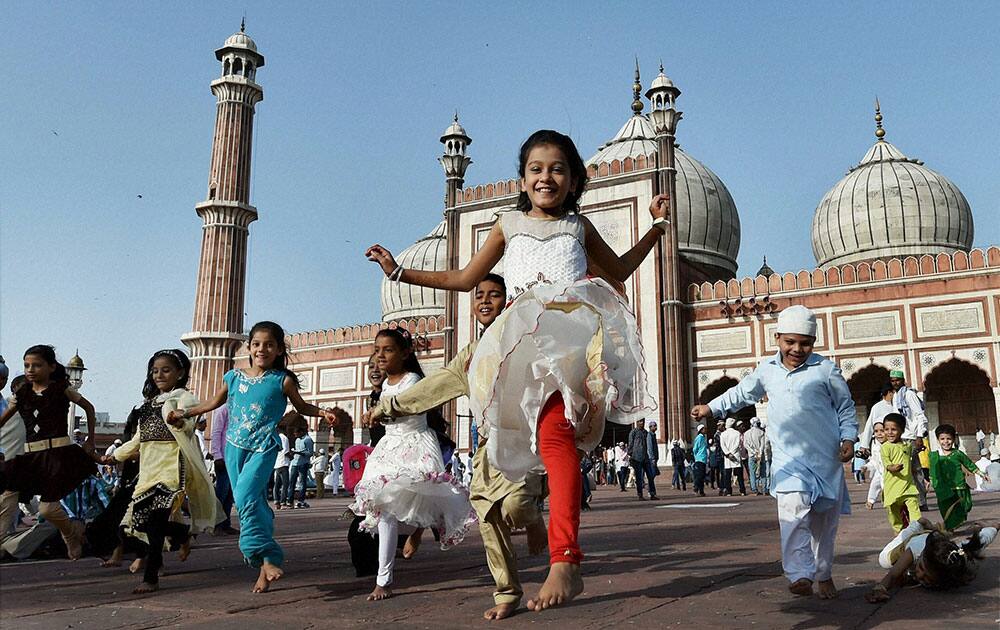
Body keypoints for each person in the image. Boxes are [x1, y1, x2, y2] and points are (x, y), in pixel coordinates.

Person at [367, 130, 666, 610]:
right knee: (498, 460)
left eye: (557, 168)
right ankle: (519, 560)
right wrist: (400, 273)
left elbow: (621, 270)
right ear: (523, 180)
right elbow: (464, 278)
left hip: (566, 341)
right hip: (515, 346)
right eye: (536, 169)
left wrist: (657, 228)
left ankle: (565, 558)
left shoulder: (579, 228)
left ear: (574, 181)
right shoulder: (507, 224)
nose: (546, 176)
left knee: (555, 438)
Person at [366, 273, 547, 619]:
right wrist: (387, 406)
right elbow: (434, 388)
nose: (484, 301)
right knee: (489, 515)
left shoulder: (525, 341)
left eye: (494, 295)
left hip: (524, 441)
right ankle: (506, 592)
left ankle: (534, 518)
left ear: (506, 301)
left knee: (517, 505)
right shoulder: (469, 355)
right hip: (487, 445)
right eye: (479, 295)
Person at [691, 305, 857, 599]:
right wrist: (710, 407)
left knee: (823, 525)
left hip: (824, 458)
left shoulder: (825, 370)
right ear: (777, 338)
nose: (797, 349)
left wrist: (849, 438)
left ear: (814, 343)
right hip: (788, 458)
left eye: (804, 343)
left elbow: (845, 407)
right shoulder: (766, 370)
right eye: (790, 342)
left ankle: (823, 573)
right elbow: (741, 393)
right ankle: (799, 573)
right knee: (792, 512)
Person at [167, 321, 342, 593]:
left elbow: (301, 406)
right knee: (254, 503)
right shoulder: (233, 377)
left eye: (269, 344)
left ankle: (260, 551)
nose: (262, 349)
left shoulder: (282, 381)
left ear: (279, 349)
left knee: (246, 499)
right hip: (234, 447)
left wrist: (323, 413)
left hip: (263, 448)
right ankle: (266, 565)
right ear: (248, 346)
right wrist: (184, 414)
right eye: (257, 344)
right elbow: (213, 403)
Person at [350, 328, 475, 602]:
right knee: (384, 512)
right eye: (377, 349)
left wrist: (378, 413)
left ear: (405, 353)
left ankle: (418, 531)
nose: (381, 355)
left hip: (413, 446)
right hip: (389, 449)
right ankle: (383, 580)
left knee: (423, 499)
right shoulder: (385, 384)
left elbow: (405, 406)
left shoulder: (413, 379)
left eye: (388, 350)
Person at [106, 349, 222, 594]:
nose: (159, 375)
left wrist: (179, 420)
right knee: (140, 524)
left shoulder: (183, 397)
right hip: (148, 471)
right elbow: (138, 440)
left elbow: (189, 420)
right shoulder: (148, 405)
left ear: (180, 373)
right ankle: (182, 534)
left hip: (172, 468)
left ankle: (151, 577)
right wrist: (113, 456)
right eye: (155, 370)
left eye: (166, 370)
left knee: (157, 522)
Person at [0, 345, 100, 560]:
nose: (30, 369)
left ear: (51, 367)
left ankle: (69, 534)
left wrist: (90, 440)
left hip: (57, 455)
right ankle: (66, 533)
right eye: (27, 365)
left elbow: (89, 408)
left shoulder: (61, 389)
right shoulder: (22, 393)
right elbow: (4, 419)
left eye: (37, 365)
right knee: (9, 490)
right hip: (31, 457)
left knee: (47, 510)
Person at [864, 517, 996, 602]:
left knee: (974, 546)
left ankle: (993, 527)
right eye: (921, 568)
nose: (920, 574)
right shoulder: (914, 551)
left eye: (927, 577)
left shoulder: (956, 559)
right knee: (885, 560)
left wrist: (993, 527)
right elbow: (893, 574)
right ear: (920, 558)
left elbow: (980, 542)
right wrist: (880, 588)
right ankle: (919, 524)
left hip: (937, 543)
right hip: (913, 540)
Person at [929, 424, 989, 530]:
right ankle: (950, 527)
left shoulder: (958, 453)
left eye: (949, 439)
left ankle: (956, 522)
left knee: (964, 507)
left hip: (959, 487)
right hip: (944, 488)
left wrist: (982, 474)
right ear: (938, 440)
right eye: (942, 439)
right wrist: (931, 481)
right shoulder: (934, 455)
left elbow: (969, 464)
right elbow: (932, 471)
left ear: (953, 439)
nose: (946, 442)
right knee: (946, 508)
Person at [889, 370, 928, 511]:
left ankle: (922, 501)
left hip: (911, 437)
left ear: (903, 380)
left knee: (915, 470)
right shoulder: (895, 397)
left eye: (897, 380)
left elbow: (920, 415)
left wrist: (919, 436)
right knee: (903, 470)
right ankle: (908, 500)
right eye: (892, 381)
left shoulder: (909, 394)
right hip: (900, 437)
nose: (895, 383)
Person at [881, 413, 921, 533]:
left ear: (902, 430)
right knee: (893, 512)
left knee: (914, 506)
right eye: (886, 429)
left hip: (908, 486)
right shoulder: (885, 447)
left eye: (893, 429)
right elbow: (887, 464)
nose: (890, 433)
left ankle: (916, 528)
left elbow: (911, 460)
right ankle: (898, 533)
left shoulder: (907, 446)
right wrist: (892, 468)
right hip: (892, 487)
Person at [209, 405, 237, 535]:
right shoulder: (223, 409)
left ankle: (226, 524)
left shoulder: (238, 407)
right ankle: (216, 525)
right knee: (221, 493)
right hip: (223, 459)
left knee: (230, 494)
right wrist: (217, 455)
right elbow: (216, 432)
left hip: (233, 458)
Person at [858, 385, 895, 458]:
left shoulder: (895, 406)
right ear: (889, 393)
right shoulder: (877, 407)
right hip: (880, 442)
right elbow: (869, 426)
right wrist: (864, 445)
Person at [627, 420, 656, 500]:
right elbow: (630, 444)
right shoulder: (633, 432)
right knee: (639, 477)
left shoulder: (646, 432)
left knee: (650, 476)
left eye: (643, 421)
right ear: (637, 422)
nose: (642, 423)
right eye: (640, 421)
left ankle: (652, 493)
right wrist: (630, 456)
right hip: (636, 457)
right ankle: (640, 494)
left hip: (645, 457)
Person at [719, 418, 745, 496]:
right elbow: (739, 444)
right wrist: (733, 452)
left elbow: (722, 445)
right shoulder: (737, 433)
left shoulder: (723, 434)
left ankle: (729, 491)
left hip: (728, 457)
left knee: (728, 475)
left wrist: (728, 453)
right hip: (736, 455)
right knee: (739, 475)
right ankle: (742, 491)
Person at [289, 425, 314, 509]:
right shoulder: (297, 440)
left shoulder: (308, 440)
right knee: (292, 482)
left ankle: (301, 500)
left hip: (303, 463)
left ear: (301, 432)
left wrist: (300, 453)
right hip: (295, 462)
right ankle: (290, 501)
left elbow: (310, 453)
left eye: (296, 433)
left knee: (302, 482)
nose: (295, 435)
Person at [865, 421, 886, 510]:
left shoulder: (890, 444)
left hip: (889, 471)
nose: (879, 434)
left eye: (882, 430)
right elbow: (874, 460)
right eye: (876, 431)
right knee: (874, 485)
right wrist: (866, 466)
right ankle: (870, 501)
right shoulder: (875, 445)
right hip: (879, 471)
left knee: (886, 487)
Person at [272, 426, 292, 510]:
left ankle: (276, 501)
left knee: (277, 484)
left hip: (276, 464)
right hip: (283, 464)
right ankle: (283, 502)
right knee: (285, 484)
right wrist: (291, 456)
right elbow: (285, 452)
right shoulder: (284, 438)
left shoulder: (274, 438)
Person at [744, 418, 765, 495]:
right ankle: (764, 489)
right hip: (760, 455)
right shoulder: (761, 432)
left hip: (751, 455)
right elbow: (762, 445)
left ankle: (754, 489)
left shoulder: (746, 433)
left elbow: (745, 445)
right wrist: (759, 453)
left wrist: (752, 451)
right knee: (763, 472)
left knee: (752, 473)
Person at [691, 424, 708, 496]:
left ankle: (701, 491)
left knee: (702, 476)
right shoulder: (699, 438)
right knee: (699, 475)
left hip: (703, 459)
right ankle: (696, 488)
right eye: (704, 429)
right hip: (699, 459)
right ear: (700, 430)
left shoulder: (703, 438)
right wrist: (696, 457)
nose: (705, 430)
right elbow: (695, 448)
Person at [646, 421, 660, 493]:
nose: (655, 427)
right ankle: (650, 490)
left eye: (656, 425)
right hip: (651, 459)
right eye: (654, 426)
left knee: (653, 474)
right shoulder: (649, 435)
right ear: (650, 427)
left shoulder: (653, 435)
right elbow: (650, 447)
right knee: (652, 474)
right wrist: (652, 458)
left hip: (654, 458)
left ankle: (651, 489)